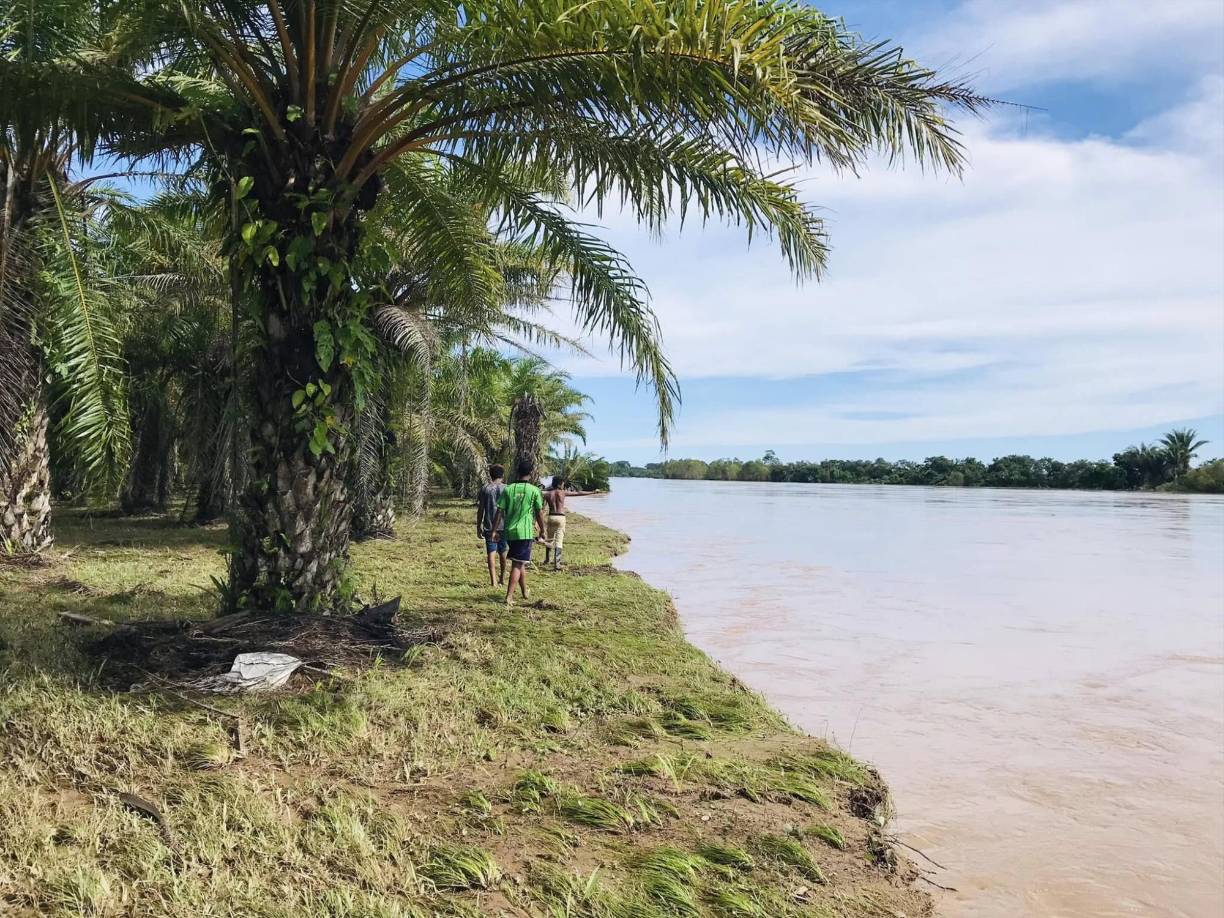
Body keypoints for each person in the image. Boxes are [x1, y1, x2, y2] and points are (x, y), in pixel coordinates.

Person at [490, 459, 548, 605]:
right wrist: (542, 530)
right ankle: (509, 596)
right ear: (531, 473)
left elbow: (499, 511)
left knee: (519, 561)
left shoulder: (509, 489)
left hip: (510, 532)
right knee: (517, 564)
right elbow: (539, 513)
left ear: (517, 471)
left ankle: (524, 592)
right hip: (525, 533)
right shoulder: (534, 490)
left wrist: (494, 530)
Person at [475, 464, 507, 587]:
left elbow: (481, 509)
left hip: (489, 525)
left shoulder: (485, 489)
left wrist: (478, 526)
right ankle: (502, 578)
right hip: (504, 525)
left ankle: (493, 580)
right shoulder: (507, 488)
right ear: (502, 475)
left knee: (491, 552)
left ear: (490, 475)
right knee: (503, 552)